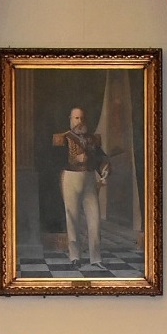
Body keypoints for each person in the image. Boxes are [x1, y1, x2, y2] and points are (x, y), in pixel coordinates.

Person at [52, 106, 109, 268]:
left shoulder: (92, 139)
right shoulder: (63, 139)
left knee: (94, 220)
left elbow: (101, 157)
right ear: (70, 120)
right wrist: (75, 159)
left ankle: (96, 259)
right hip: (70, 178)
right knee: (73, 219)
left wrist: (104, 168)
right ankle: (75, 256)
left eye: (82, 118)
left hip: (90, 179)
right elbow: (54, 162)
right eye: (76, 118)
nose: (80, 122)